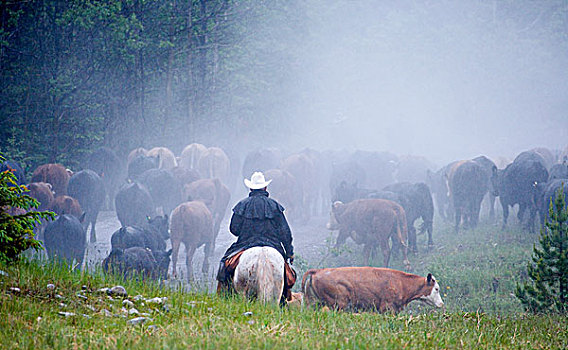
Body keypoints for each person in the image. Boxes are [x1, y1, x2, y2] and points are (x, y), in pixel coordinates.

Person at [217, 171, 295, 300]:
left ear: (250, 188)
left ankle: (225, 295)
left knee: (224, 265)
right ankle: (283, 298)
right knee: (287, 275)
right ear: (265, 188)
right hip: (273, 246)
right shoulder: (275, 206)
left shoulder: (242, 205)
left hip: (245, 245)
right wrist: (289, 252)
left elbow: (234, 229)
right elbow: (285, 232)